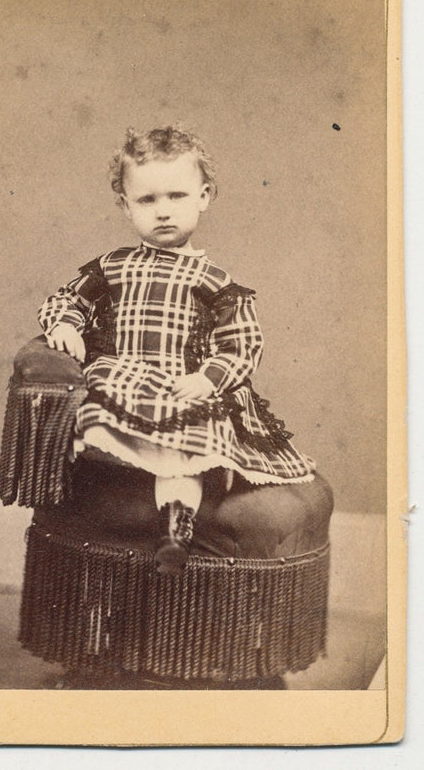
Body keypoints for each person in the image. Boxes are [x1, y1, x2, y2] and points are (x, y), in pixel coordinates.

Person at [38, 126, 315, 575]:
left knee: (185, 445)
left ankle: (176, 523)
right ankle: (124, 468)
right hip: (125, 376)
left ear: (204, 197)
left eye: (177, 196)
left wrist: (207, 379)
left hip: (182, 383)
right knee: (96, 410)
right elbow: (64, 299)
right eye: (147, 200)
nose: (163, 211)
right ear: (125, 206)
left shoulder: (215, 282)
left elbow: (242, 344)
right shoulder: (111, 267)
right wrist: (66, 322)